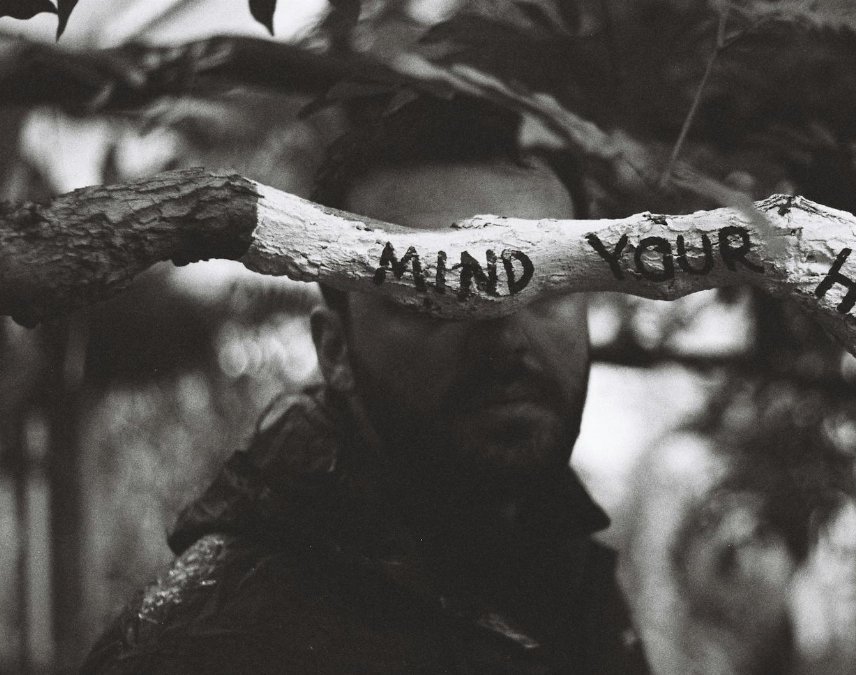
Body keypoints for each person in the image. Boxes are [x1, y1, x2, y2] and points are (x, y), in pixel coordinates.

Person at [83, 96, 647, 674]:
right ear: (335, 350)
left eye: (545, 284)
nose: (505, 339)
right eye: (440, 293)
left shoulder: (570, 570)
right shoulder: (208, 643)